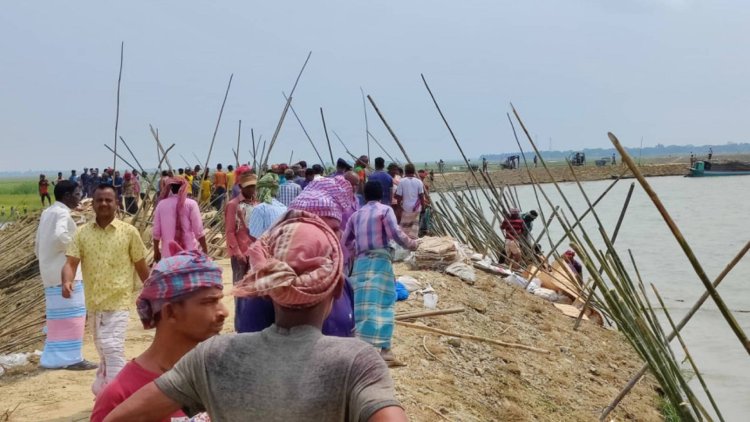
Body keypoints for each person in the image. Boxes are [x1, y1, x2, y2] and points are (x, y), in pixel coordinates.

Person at [104, 213, 406, 422]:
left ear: (268, 287)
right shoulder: (358, 362)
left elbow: (121, 417)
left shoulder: (214, 356)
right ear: (337, 287)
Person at [91, 249, 226, 422]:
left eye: (220, 300)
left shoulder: (220, 372)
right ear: (170, 312)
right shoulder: (120, 395)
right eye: (209, 302)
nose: (224, 312)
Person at [62, 184, 150, 395]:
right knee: (102, 347)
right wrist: (67, 281)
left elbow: (141, 266)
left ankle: (118, 396)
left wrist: (152, 292)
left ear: (116, 203)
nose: (103, 204)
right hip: (94, 302)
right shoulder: (82, 234)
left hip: (119, 300)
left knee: (112, 347)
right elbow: (71, 263)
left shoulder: (129, 232)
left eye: (108, 200)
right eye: (99, 200)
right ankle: (102, 387)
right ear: (92, 204)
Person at [343, 181, 418, 366]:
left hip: (361, 264)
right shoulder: (384, 210)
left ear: (365, 196)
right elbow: (396, 233)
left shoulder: (356, 215)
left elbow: (345, 241)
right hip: (380, 261)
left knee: (362, 305)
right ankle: (385, 351)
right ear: (381, 195)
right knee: (384, 305)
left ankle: (361, 351)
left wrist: (356, 250)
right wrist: (413, 244)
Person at [34, 181, 97, 371]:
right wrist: (78, 248)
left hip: (49, 271)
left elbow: (37, 244)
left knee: (56, 318)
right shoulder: (62, 213)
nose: (79, 197)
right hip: (66, 272)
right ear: (68, 195)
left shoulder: (48, 212)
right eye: (77, 194)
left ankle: (54, 358)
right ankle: (71, 358)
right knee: (74, 316)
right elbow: (61, 235)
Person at [225, 172, 257, 329]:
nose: (252, 189)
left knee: (253, 289)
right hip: (240, 254)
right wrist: (237, 252)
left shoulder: (256, 204)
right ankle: (239, 324)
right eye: (248, 187)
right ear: (241, 187)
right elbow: (230, 231)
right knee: (239, 289)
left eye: (253, 186)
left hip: (254, 253)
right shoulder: (233, 205)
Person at [152, 178, 208, 262]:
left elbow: (156, 232)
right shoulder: (191, 204)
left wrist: (156, 251)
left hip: (168, 255)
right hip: (189, 253)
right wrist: (205, 249)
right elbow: (198, 230)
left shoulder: (161, 205)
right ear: (184, 187)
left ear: (170, 188)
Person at [248, 173, 288, 240]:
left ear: (262, 190)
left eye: (258, 190)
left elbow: (253, 237)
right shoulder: (284, 208)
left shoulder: (260, 209)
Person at [394, 163, 425, 239]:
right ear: (414, 171)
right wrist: (423, 207)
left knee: (404, 228)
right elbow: (421, 196)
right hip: (416, 208)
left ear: (405, 171)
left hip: (405, 208)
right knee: (414, 229)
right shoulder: (419, 182)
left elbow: (398, 196)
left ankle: (405, 243)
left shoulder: (402, 181)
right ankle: (413, 243)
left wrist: (399, 207)